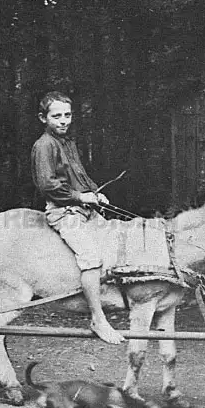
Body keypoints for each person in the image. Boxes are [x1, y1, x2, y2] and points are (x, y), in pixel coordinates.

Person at [31, 92, 124, 345]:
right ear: (43, 118)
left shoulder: (67, 142)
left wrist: (95, 193)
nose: (63, 120)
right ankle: (97, 319)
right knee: (91, 258)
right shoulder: (44, 145)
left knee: (114, 243)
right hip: (63, 212)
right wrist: (81, 197)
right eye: (56, 116)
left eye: (67, 115)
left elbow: (80, 176)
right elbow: (48, 185)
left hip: (83, 208)